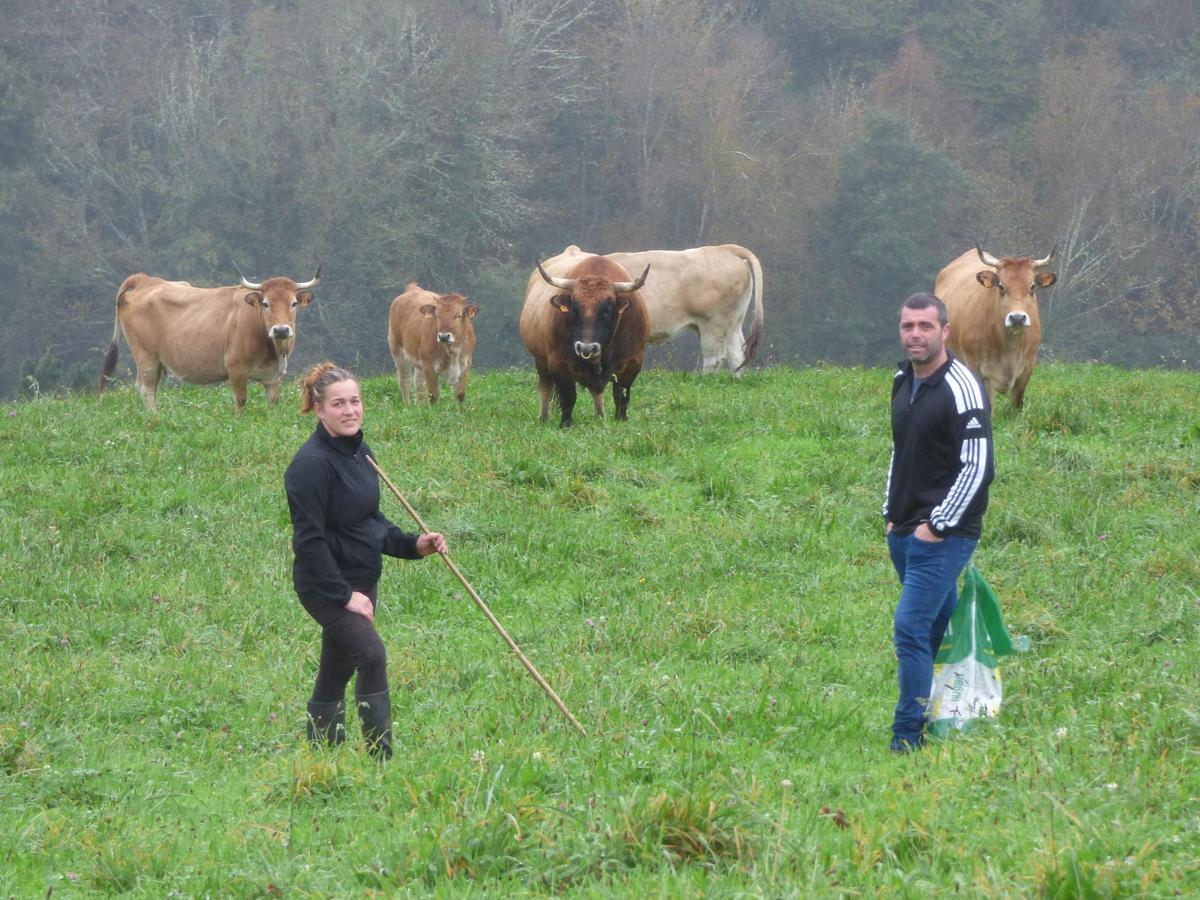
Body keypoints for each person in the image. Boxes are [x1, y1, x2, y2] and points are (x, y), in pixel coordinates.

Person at [285, 362, 447, 758]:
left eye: (355, 401)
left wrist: (413, 546)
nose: (350, 410)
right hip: (326, 587)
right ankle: (381, 760)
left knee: (335, 667)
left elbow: (369, 521)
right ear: (319, 409)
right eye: (338, 403)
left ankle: (322, 756)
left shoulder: (361, 453)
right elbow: (309, 541)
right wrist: (344, 597)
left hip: (362, 577)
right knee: (371, 655)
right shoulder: (309, 466)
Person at [883, 294, 994, 752]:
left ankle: (907, 735)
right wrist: (890, 514)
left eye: (926, 326)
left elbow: (978, 466)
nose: (916, 334)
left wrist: (938, 525)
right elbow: (901, 448)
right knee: (936, 625)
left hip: (944, 535)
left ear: (945, 331)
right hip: (904, 531)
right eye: (908, 326)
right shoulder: (901, 380)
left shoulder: (963, 387)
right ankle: (960, 708)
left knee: (910, 626)